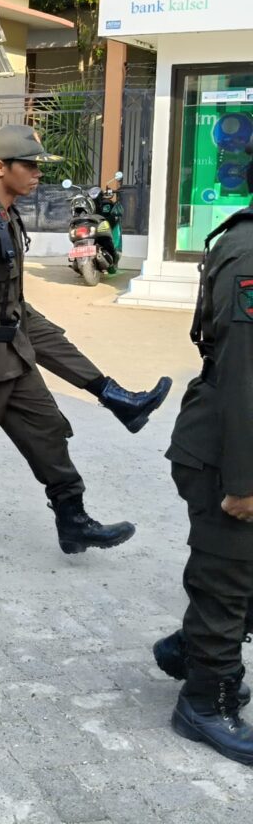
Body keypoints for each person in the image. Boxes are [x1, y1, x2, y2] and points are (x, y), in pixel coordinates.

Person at [0, 125, 172, 566]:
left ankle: (73, 521)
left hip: (14, 353)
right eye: (29, 165)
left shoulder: (5, 215)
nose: (37, 173)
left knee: (49, 433)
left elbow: (10, 301)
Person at [150, 186, 253, 765]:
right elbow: (243, 373)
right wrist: (243, 481)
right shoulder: (249, 251)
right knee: (228, 577)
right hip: (226, 449)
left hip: (240, 440)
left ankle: (192, 648)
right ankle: (204, 703)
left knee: (240, 575)